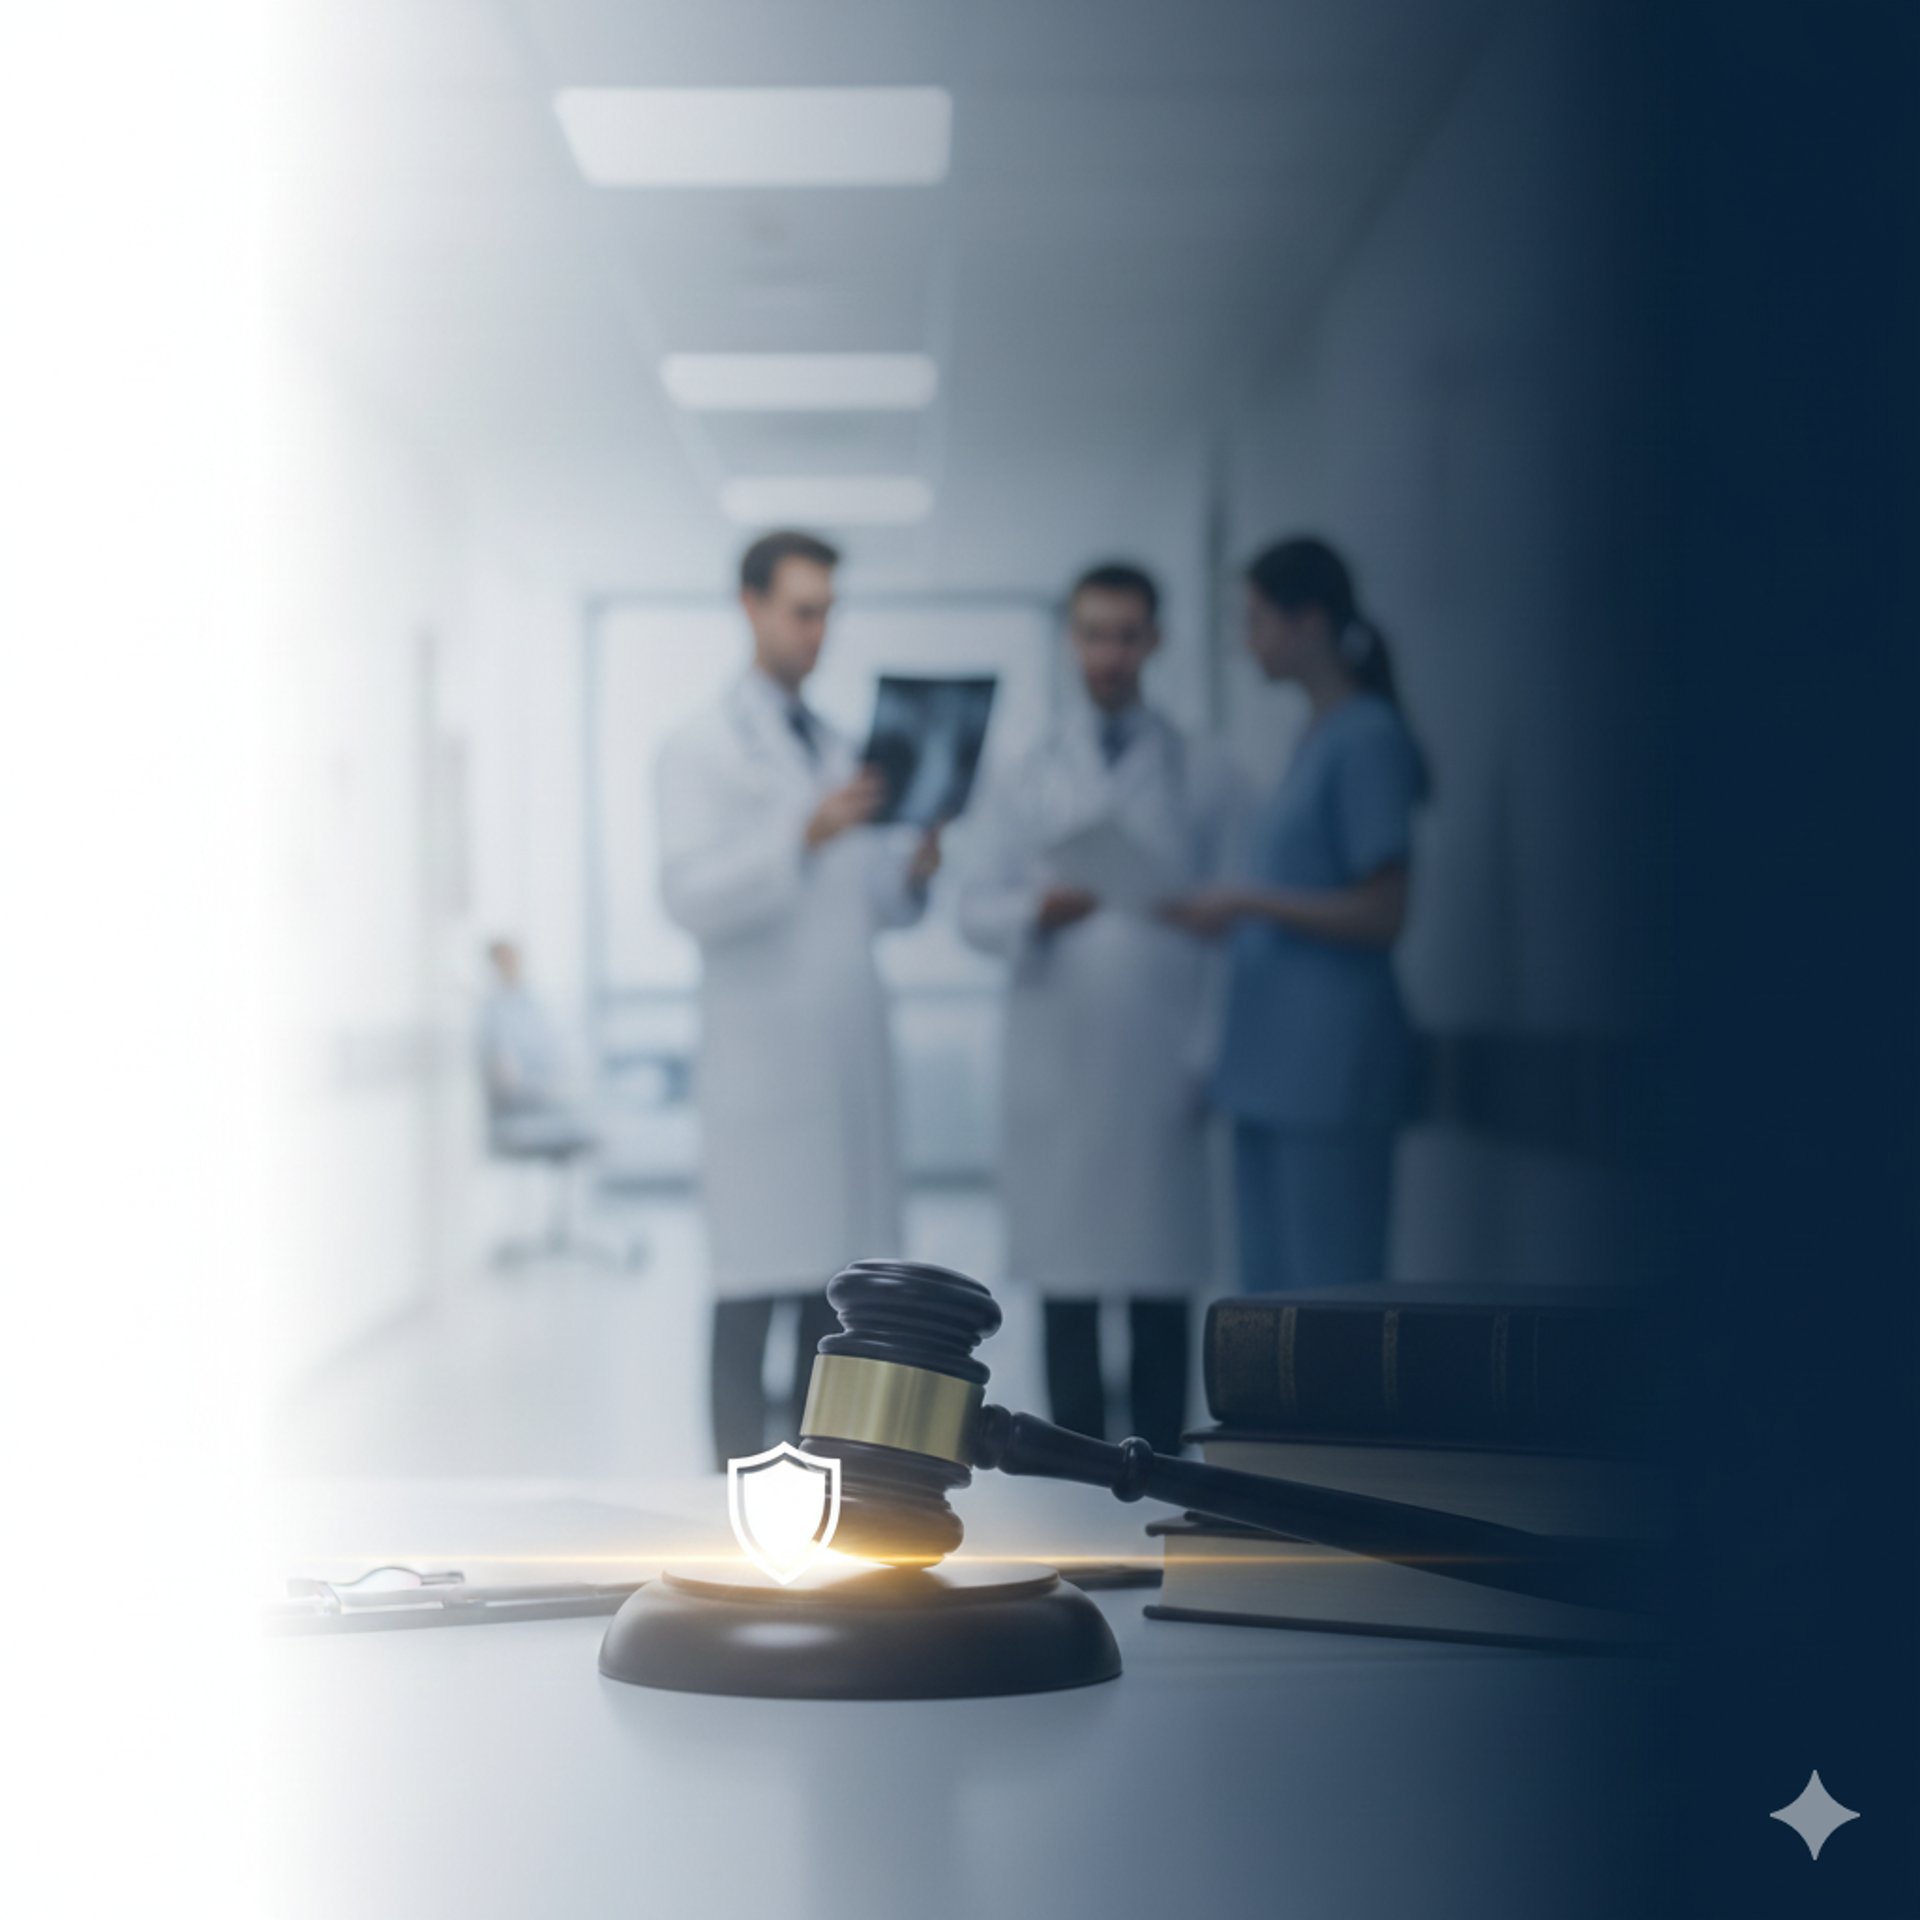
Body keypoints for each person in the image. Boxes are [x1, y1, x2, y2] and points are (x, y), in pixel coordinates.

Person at [656, 530, 942, 1467]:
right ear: (751, 606)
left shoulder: (842, 749)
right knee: (751, 1295)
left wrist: (913, 871)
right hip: (762, 1072)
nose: (818, 631)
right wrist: (800, 834)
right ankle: (725, 1510)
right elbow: (690, 896)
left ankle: (835, 1501)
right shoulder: (697, 747)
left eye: (828, 612)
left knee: (838, 1306)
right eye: (802, 611)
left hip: (842, 1064)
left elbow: (873, 907)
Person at [958, 562, 1242, 1453]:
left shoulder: (1203, 770)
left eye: (1127, 634)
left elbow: (1233, 923)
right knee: (1069, 1299)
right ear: (1070, 640)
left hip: (1162, 1066)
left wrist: (1212, 1054)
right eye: (1093, 633)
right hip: (1060, 1069)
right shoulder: (1026, 772)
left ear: (1154, 642)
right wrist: (1035, 911)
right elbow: (971, 906)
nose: (1109, 653)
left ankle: (1157, 1492)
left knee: (1160, 1302)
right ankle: (1077, 1497)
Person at [1164, 536, 1428, 1291]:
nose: (1247, 643)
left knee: (1331, 1305)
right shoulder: (1313, 737)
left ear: (1308, 621)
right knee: (1272, 1309)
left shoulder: (1368, 738)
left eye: (1256, 620)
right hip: (1272, 1069)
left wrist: (1246, 898)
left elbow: (1384, 912)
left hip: (1330, 1070)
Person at [478, 938, 597, 1155]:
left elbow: (555, 1054)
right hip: (520, 1107)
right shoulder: (492, 1010)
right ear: (493, 967)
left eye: (513, 960)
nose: (510, 967)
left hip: (548, 1095)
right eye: (503, 962)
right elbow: (506, 1078)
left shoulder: (533, 1005)